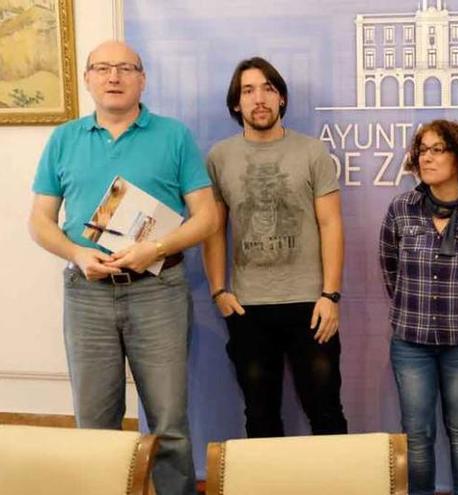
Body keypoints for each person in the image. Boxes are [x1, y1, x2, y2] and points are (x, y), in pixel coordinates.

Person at [28, 40, 217, 495]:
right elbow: (39, 221)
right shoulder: (64, 139)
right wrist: (77, 253)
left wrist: (155, 249)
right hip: (86, 293)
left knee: (169, 422)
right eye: (103, 68)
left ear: (142, 79)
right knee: (94, 422)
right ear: (89, 78)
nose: (114, 77)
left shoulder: (174, 136)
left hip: (158, 290)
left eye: (126, 68)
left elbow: (208, 217)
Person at [201, 57, 347, 438]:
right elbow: (214, 229)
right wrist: (218, 289)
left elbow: (331, 223)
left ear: (281, 99)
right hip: (248, 307)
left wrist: (331, 294)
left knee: (327, 412)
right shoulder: (219, 157)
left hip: (310, 305)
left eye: (268, 88)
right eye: (248, 91)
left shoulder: (312, 152)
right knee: (260, 416)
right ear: (236, 104)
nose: (259, 98)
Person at [379, 119, 458, 495]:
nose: (426, 158)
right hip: (411, 342)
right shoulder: (401, 209)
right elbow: (390, 269)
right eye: (422, 150)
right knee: (417, 435)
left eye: (438, 149)